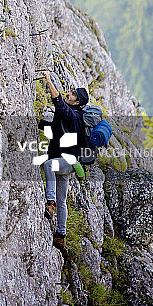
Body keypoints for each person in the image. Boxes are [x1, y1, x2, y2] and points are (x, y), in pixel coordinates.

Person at [40, 70, 89, 249]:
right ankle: (60, 235)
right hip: (66, 162)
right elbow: (55, 130)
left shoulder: (74, 116)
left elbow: (58, 102)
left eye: (73, 94)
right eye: (71, 92)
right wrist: (39, 124)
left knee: (48, 165)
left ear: (77, 103)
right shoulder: (69, 115)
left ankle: (49, 202)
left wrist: (49, 81)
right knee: (63, 200)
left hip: (66, 162)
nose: (69, 93)